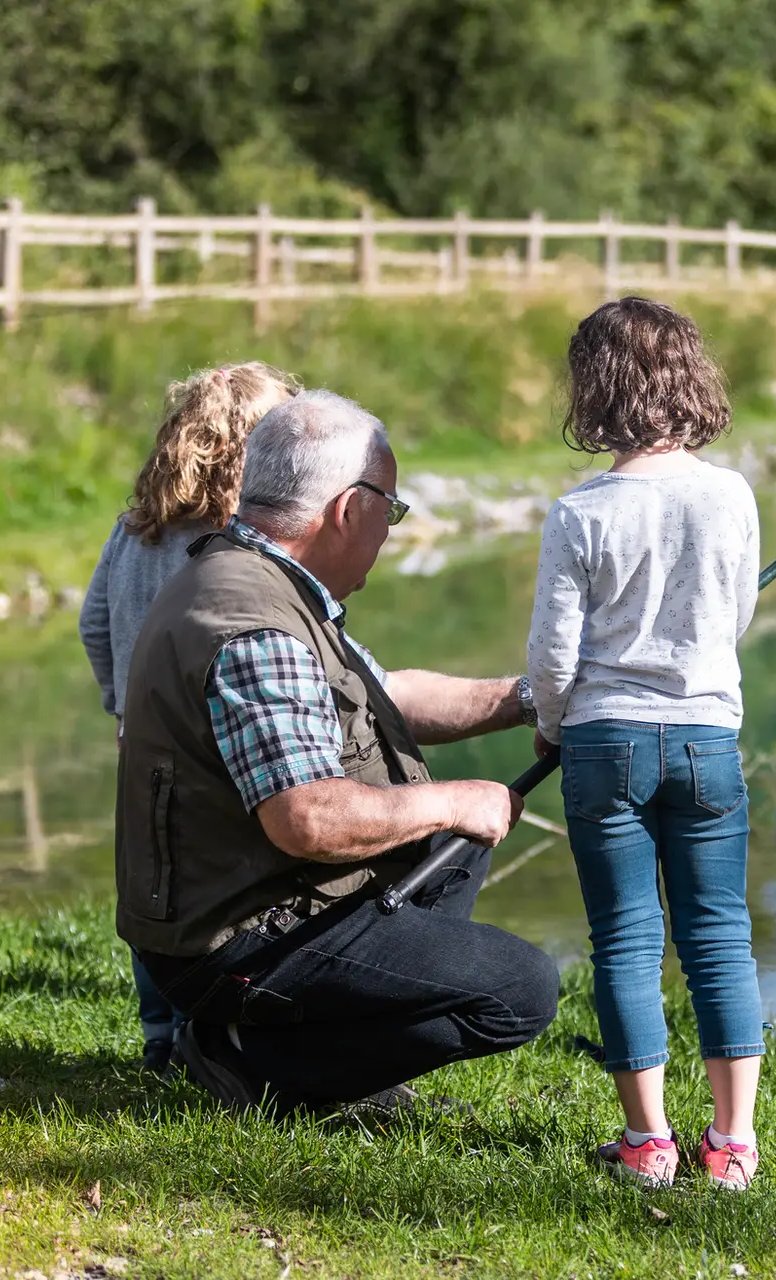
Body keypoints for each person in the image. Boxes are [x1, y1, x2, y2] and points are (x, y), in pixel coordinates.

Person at [116, 388, 560, 1115]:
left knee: (452, 841)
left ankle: (318, 1055)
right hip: (234, 942)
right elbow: (307, 821)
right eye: (391, 505)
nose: (390, 527)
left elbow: (391, 694)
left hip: (237, 906)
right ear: (349, 509)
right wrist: (451, 796)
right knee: (520, 989)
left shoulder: (251, 575)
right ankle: (258, 1066)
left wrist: (533, 699)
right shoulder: (260, 626)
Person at [527, 297, 765, 1190]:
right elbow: (735, 614)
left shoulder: (580, 511)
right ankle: (733, 1147)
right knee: (719, 935)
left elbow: (554, 656)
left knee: (625, 939)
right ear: (690, 378)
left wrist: (553, 721)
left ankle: (649, 1144)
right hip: (708, 737)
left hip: (605, 742)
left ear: (594, 390)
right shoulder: (730, 494)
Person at [80, 362, 300, 1074]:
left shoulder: (135, 530)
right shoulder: (234, 545)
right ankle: (212, 1033)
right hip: (217, 743)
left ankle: (159, 1035)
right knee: (219, 884)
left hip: (140, 740)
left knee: (153, 883)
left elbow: (92, 623)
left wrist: (122, 703)